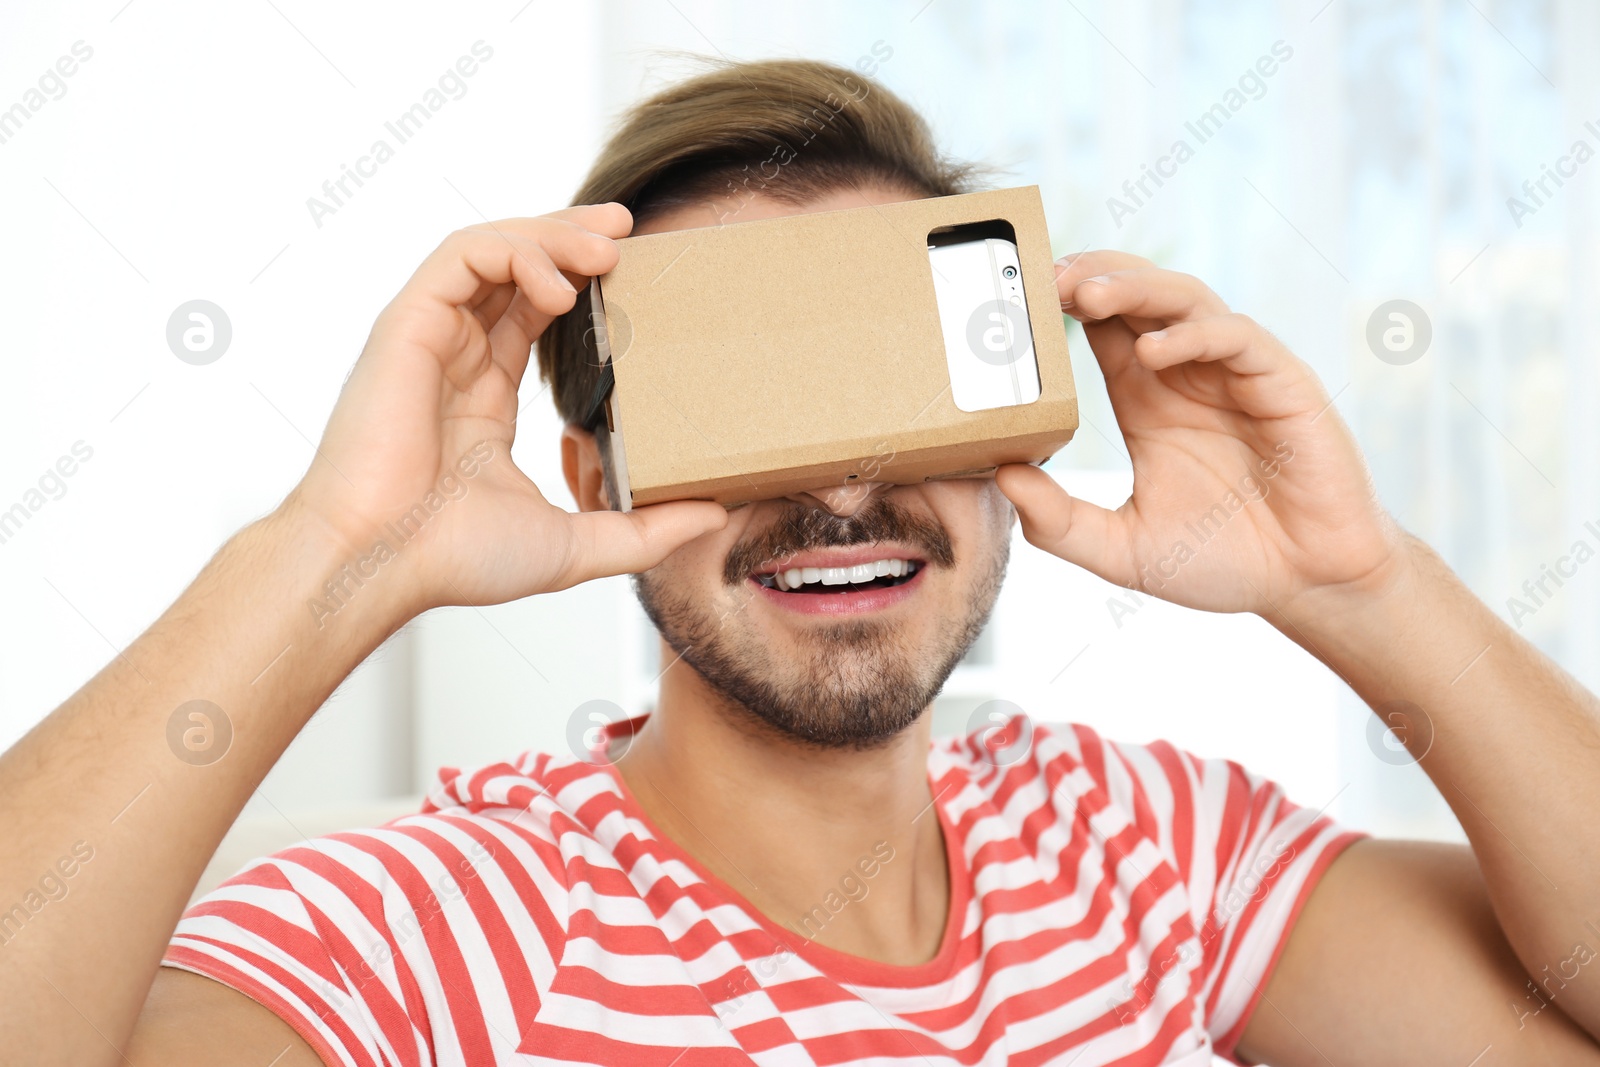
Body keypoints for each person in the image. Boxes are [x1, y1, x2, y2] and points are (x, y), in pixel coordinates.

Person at [3, 56, 1598, 1067]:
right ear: (589, 477)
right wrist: (336, 551)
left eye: (898, 397)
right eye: (752, 402)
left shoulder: (1132, 843)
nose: (841, 485)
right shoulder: (446, 926)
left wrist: (1359, 581)